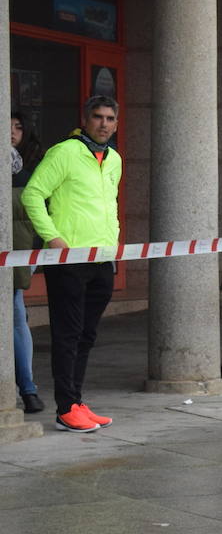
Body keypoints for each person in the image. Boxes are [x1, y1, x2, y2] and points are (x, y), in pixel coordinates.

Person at [20, 95, 122, 432]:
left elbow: (110, 205)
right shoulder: (65, 152)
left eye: (110, 118)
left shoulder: (114, 159)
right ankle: (65, 408)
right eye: (98, 117)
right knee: (68, 333)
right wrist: (53, 238)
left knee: (87, 335)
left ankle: (76, 401)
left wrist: (114, 244)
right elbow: (32, 193)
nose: (104, 123)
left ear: (116, 123)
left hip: (102, 259)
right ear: (85, 118)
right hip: (68, 259)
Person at [11, 112, 43, 414]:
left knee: (17, 317)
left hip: (19, 254)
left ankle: (28, 388)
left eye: (17, 127)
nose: (11, 133)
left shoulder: (32, 165)